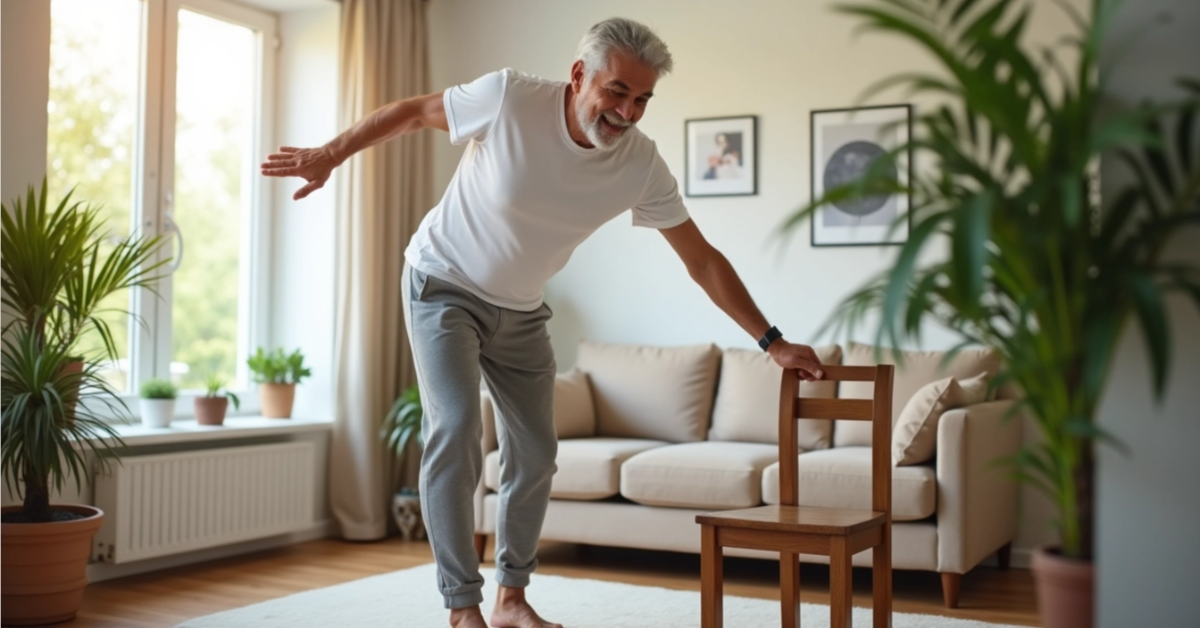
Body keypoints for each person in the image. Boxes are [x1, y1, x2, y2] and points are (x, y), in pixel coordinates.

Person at [261, 17, 824, 628]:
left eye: (642, 100)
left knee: (536, 452)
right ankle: (462, 608)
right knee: (453, 428)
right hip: (442, 283)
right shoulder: (509, 97)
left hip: (522, 310)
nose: (628, 112)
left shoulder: (639, 164)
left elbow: (702, 260)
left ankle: (511, 600)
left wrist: (771, 342)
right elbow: (414, 111)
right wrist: (328, 154)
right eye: (616, 92)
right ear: (579, 74)